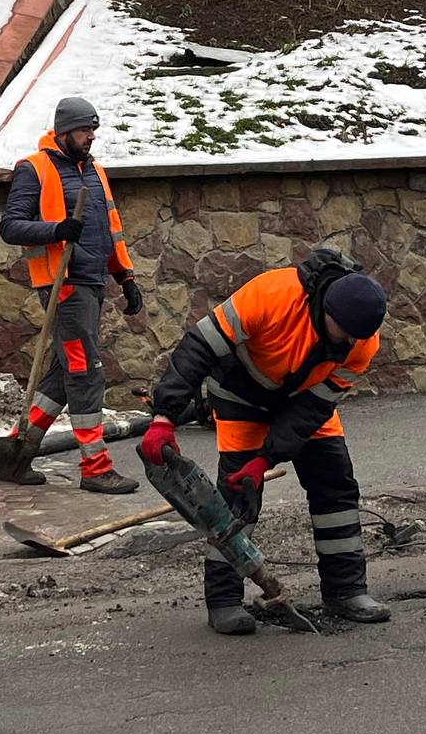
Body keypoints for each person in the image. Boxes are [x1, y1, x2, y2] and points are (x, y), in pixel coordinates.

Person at [140, 248, 391, 635]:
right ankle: (223, 600)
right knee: (234, 498)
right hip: (242, 395)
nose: (349, 343)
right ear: (326, 308)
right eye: (343, 332)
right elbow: (198, 348)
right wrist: (164, 417)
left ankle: (346, 590)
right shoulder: (271, 295)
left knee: (335, 484)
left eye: (357, 337)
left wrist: (268, 458)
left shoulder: (363, 342)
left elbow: (314, 408)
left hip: (304, 401)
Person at [0, 96, 144, 494]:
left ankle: (16, 453)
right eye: (84, 130)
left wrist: (124, 276)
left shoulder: (95, 172)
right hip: (62, 286)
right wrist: (56, 230)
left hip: (92, 282)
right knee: (85, 372)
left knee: (64, 374)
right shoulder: (34, 168)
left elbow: (111, 228)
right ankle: (95, 467)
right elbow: (10, 227)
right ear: (63, 132)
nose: (90, 136)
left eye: (93, 129)